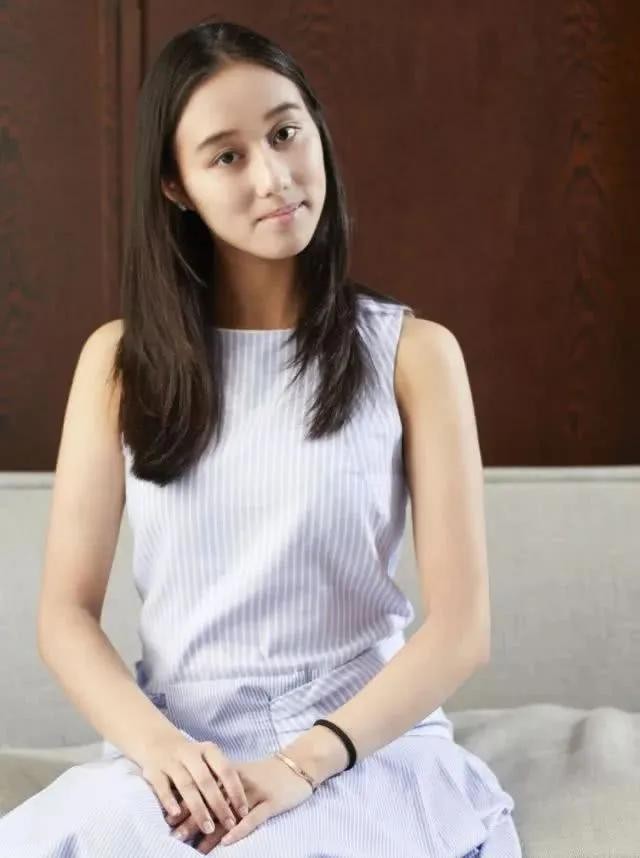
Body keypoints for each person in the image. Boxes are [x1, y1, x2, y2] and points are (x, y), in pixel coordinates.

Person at [0, 18, 522, 857]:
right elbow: (65, 616)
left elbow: (461, 629)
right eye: (226, 156)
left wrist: (303, 764)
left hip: (360, 748)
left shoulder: (414, 355)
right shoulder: (119, 364)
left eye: (285, 133)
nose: (274, 177)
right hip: (181, 756)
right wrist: (160, 749)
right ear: (176, 185)